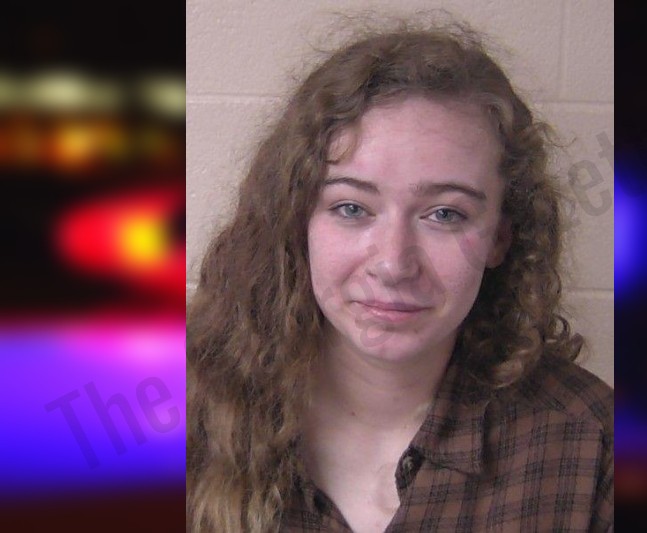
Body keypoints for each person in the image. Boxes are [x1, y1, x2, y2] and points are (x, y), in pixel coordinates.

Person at [187, 19, 613, 533]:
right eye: (351, 207)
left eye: (445, 214)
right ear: (297, 219)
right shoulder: (175, 417)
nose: (393, 264)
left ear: (500, 237)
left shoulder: (591, 444)